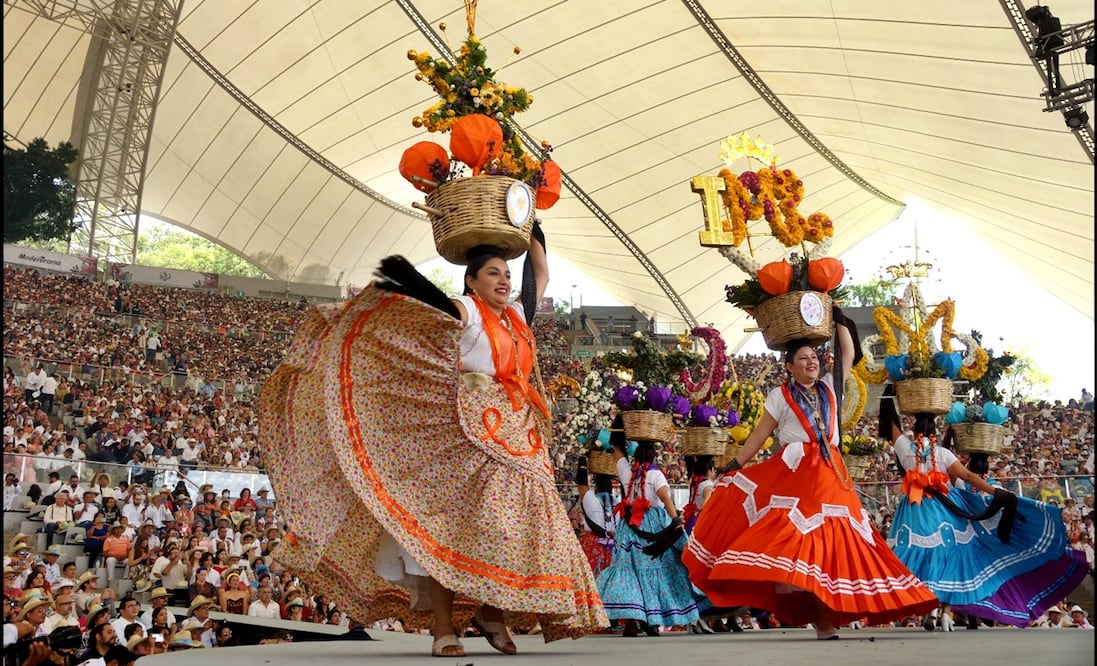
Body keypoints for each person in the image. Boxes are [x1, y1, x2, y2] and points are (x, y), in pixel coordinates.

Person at [258, 232, 606, 658]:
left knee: (510, 527)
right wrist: (411, 285)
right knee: (447, 532)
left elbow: (541, 273)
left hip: (517, 432)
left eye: (506, 274)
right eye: (492, 273)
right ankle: (445, 628)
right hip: (462, 433)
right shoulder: (469, 311)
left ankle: (491, 611)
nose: (503, 280)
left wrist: (533, 225)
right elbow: (429, 313)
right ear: (471, 281)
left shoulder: (517, 315)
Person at [683, 332, 939, 640]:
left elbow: (847, 353)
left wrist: (839, 318)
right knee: (808, 541)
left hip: (831, 472)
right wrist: (736, 464)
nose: (811, 362)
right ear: (789, 366)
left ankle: (830, 613)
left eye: (814, 357)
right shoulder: (779, 396)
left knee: (840, 539)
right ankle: (822, 620)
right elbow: (760, 434)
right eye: (803, 358)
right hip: (797, 472)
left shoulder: (829, 386)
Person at [878, 396, 1090, 630]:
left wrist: (888, 399)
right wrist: (996, 493)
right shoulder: (943, 454)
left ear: (914, 430)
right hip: (943, 508)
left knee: (914, 556)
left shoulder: (905, 449)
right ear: (934, 432)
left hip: (914, 510)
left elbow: (891, 428)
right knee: (950, 557)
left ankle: (928, 605)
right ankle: (944, 612)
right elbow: (968, 476)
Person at [596, 430, 700, 637]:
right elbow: (667, 499)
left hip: (630, 530)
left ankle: (632, 622)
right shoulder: (656, 475)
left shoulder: (626, 472)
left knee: (631, 573)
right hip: (654, 527)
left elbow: (617, 453)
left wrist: (618, 434)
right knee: (658, 572)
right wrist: (676, 522)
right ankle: (652, 620)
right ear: (653, 457)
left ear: (635, 457)